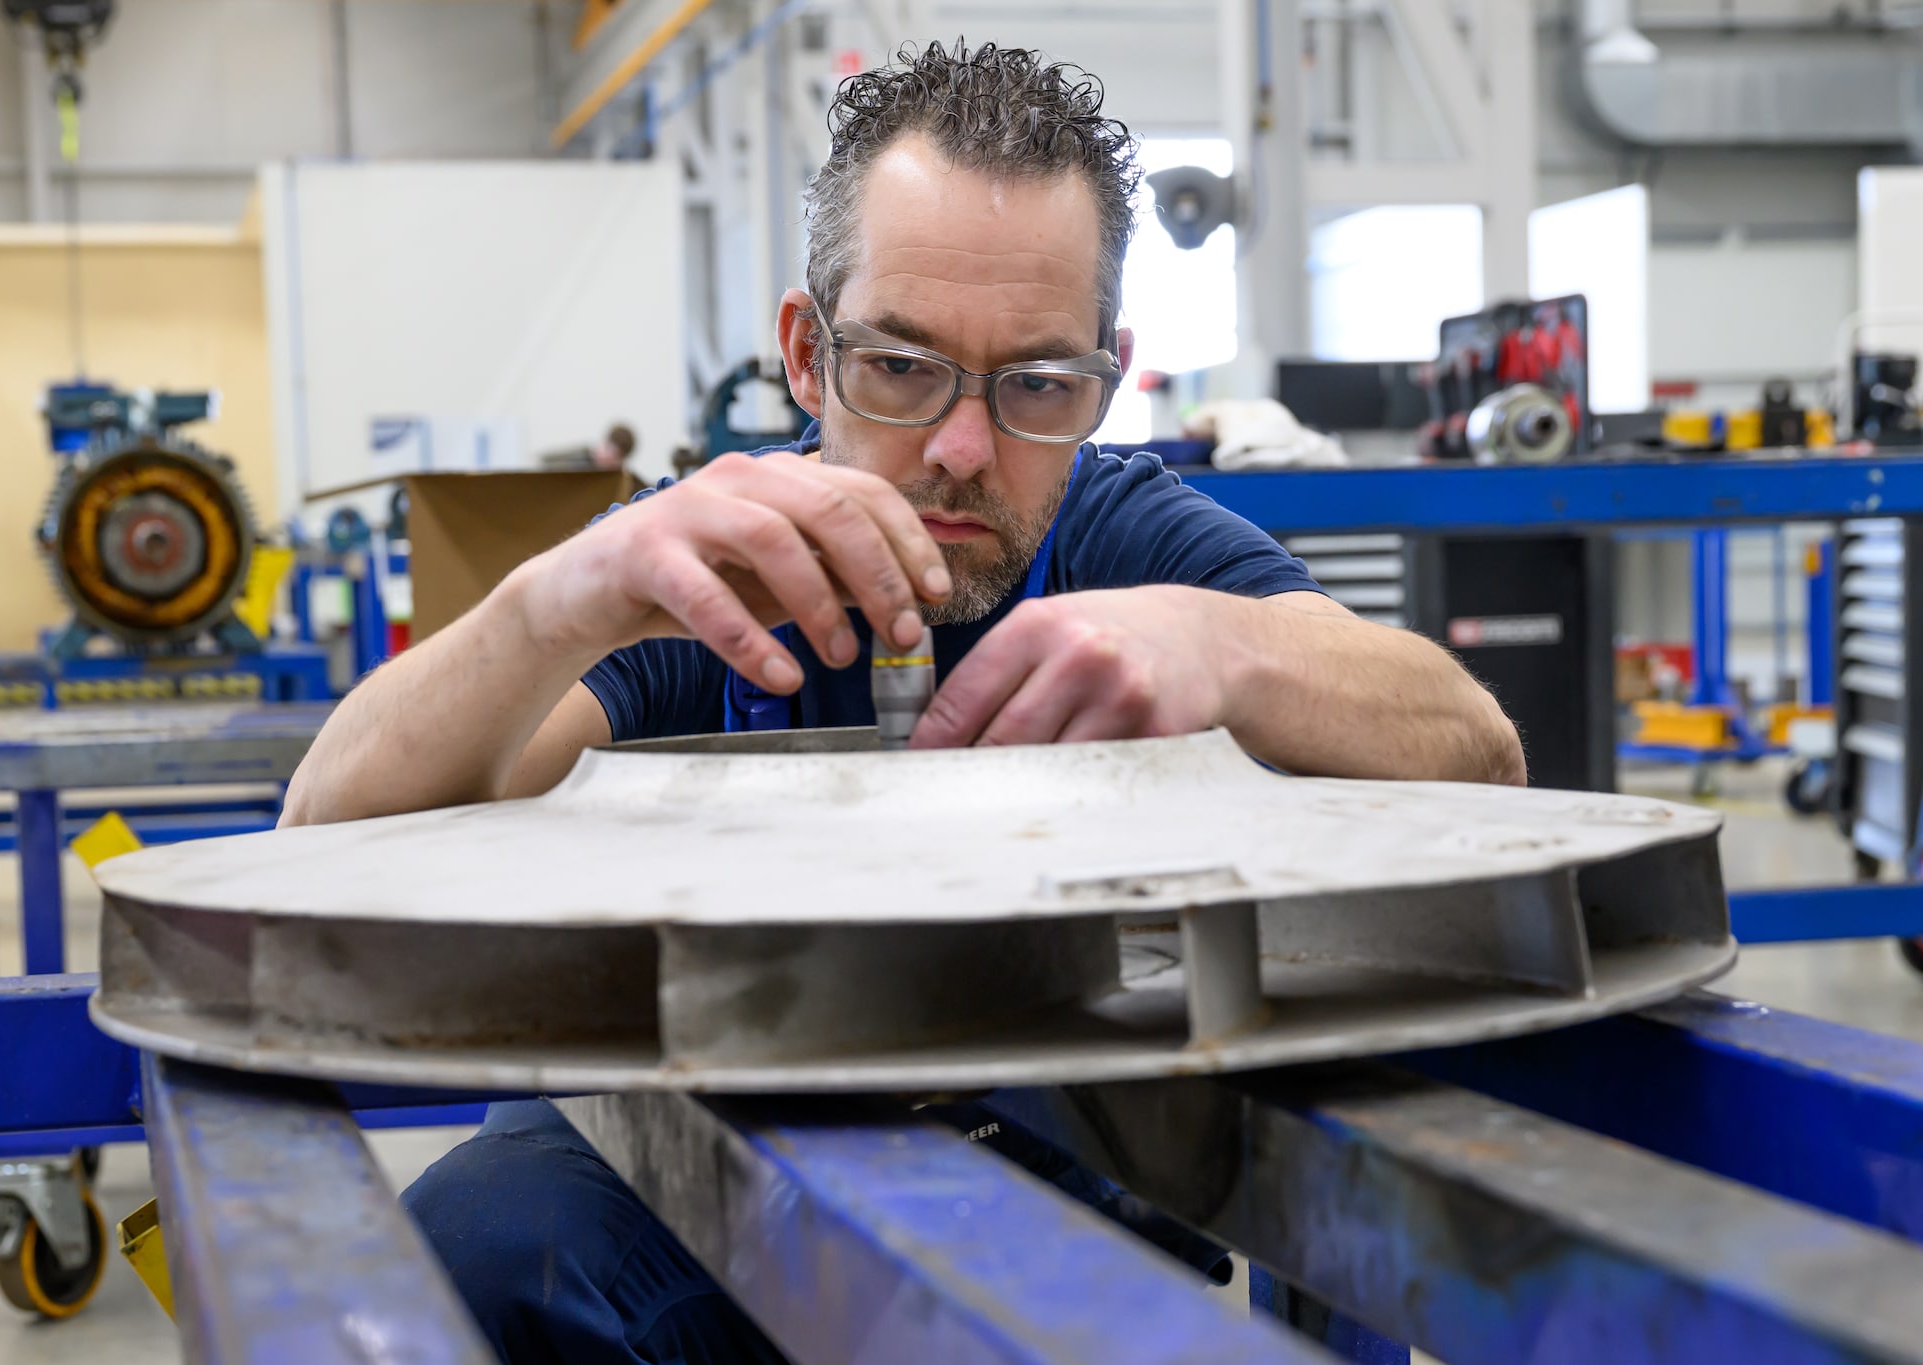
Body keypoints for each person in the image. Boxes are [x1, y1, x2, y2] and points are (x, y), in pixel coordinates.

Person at [283, 39, 1525, 1364]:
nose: (963, 447)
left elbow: (1475, 744)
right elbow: (327, 823)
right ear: (806, 356)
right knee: (473, 1253)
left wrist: (1227, 650)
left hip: (1041, 1128)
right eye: (901, 365)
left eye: (1039, 383)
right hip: (686, 1120)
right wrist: (552, 602)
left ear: (1107, 376)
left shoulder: (1129, 541)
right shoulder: (705, 565)